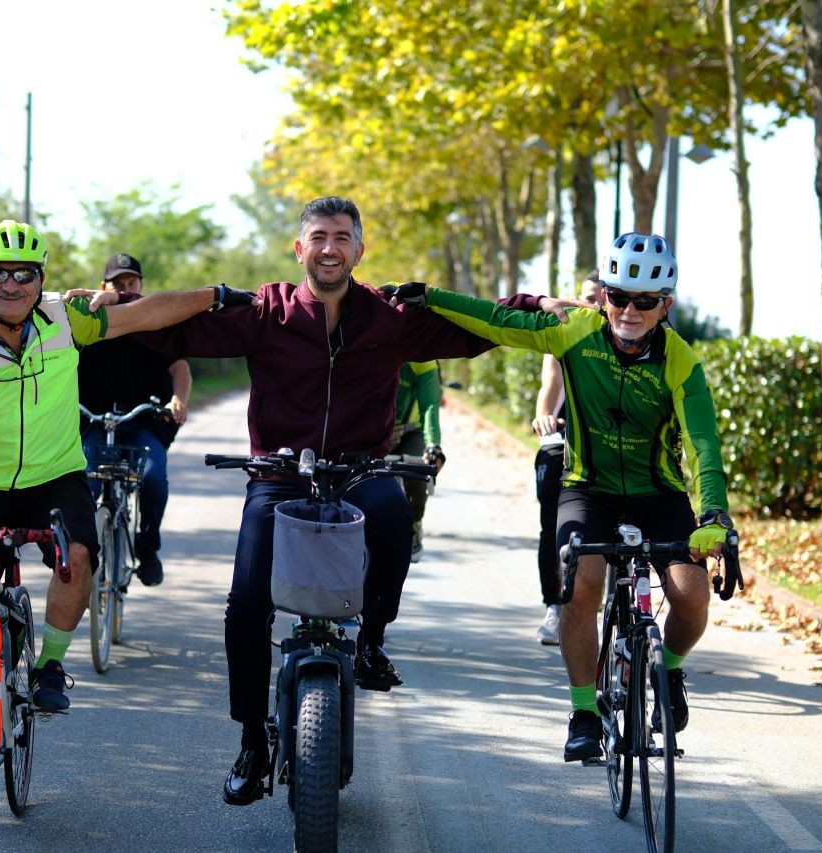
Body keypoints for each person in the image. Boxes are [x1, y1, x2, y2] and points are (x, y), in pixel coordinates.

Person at [132, 197, 575, 805]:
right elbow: (171, 331)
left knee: (393, 514)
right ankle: (251, 743)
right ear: (300, 249)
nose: (330, 247)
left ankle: (371, 638)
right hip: (279, 474)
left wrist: (542, 306)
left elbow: (481, 326)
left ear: (358, 250)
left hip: (362, 466)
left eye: (342, 237)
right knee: (244, 603)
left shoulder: (388, 316)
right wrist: (115, 307)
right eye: (318, 236)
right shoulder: (268, 312)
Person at [0, 219, 251, 775]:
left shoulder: (66, 319)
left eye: (25, 274)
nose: (12, 284)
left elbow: (149, 312)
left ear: (40, 278)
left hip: (55, 477)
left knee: (79, 559)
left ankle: (48, 665)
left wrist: (216, 295)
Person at [388, 233, 735, 764]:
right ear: (605, 297)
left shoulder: (681, 361)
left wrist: (712, 512)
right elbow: (499, 321)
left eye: (645, 301)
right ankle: (583, 714)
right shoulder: (576, 331)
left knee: (690, 595)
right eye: (618, 296)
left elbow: (702, 442)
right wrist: (432, 296)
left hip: (658, 492)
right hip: (587, 488)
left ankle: (669, 673)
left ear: (666, 304)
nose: (629, 311)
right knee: (582, 588)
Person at [78, 252, 192, 587]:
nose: (126, 288)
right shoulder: (87, 324)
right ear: (104, 287)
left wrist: (178, 399)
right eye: (118, 283)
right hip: (96, 422)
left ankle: (146, 548)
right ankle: (82, 554)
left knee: (154, 478)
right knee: (84, 485)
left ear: (140, 285)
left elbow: (179, 367)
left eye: (132, 282)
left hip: (143, 421)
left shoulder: (155, 320)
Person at [531, 271, 603, 645]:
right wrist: (545, 417)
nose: (595, 304)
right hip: (565, 441)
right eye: (589, 297)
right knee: (553, 521)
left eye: (603, 298)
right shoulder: (564, 334)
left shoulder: (624, 340)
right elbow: (550, 388)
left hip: (606, 448)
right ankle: (554, 606)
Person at [390, 360, 445, 561]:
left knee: (417, 472)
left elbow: (430, 403)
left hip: (409, 431)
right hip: (373, 429)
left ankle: (414, 522)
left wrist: (433, 445)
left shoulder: (422, 357)